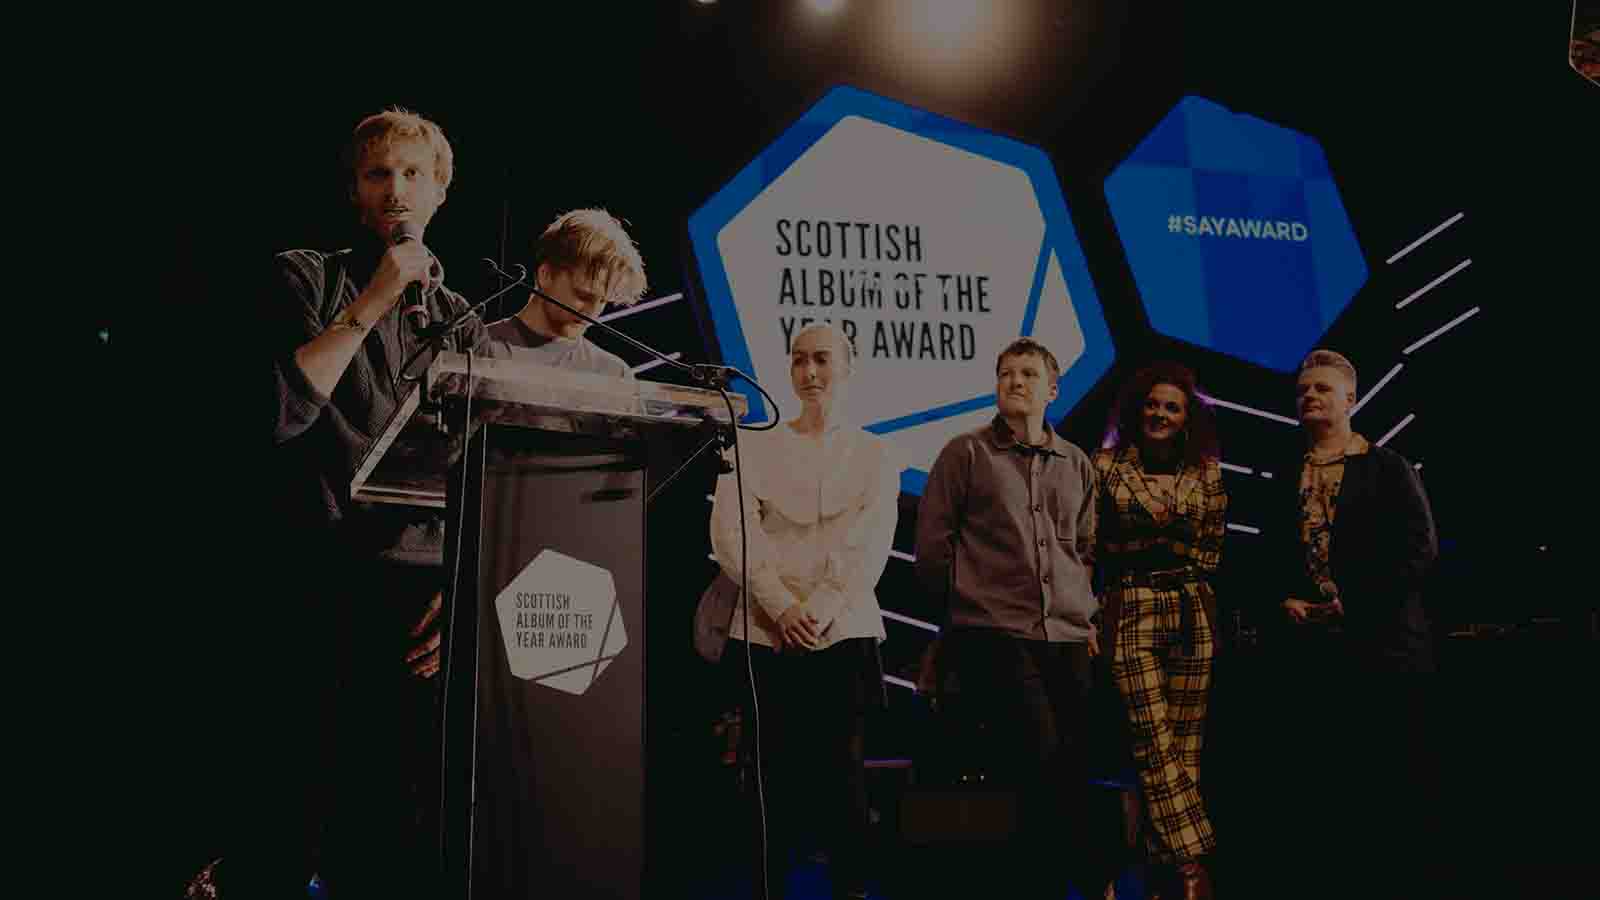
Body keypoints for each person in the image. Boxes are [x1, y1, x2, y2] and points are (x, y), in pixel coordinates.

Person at [268, 106, 501, 897]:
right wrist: (371, 299)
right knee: (298, 813)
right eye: (379, 174)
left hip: (417, 596)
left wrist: (457, 586)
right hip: (315, 583)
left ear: (440, 193)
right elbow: (282, 411)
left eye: (413, 174)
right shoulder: (306, 275)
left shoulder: (462, 318)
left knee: (402, 825)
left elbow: (471, 473)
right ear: (356, 193)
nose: (396, 189)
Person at [913, 337, 1121, 900]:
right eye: (1006, 373)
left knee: (1073, 763)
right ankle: (1062, 879)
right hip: (995, 633)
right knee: (1038, 756)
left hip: (1069, 633)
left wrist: (1086, 617)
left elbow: (1082, 548)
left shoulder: (1076, 462)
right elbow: (933, 546)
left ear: (1052, 389)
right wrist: (959, 618)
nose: (1015, 381)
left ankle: (1064, 875)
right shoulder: (966, 453)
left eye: (1028, 373)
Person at [709, 322, 899, 900]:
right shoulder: (755, 444)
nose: (809, 372)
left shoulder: (874, 453)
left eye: (821, 359)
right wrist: (780, 605)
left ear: (848, 366)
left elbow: (870, 542)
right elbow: (732, 532)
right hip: (767, 633)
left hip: (844, 631)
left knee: (845, 778)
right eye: (798, 360)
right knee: (768, 779)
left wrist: (817, 609)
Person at [1258, 349, 1439, 898]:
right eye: (1302, 390)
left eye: (1321, 389)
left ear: (1350, 400)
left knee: (1390, 783)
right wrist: (1282, 597)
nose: (1309, 397)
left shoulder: (1388, 467)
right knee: (1325, 787)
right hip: (1311, 659)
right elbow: (1265, 554)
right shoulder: (1285, 472)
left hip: (1384, 652)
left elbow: (1419, 550)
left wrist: (1357, 603)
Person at [1091, 361, 1226, 900]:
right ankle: (1194, 862)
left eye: (1172, 406)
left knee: (1185, 747)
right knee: (1153, 740)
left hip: (1194, 608)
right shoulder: (1104, 467)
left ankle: (1157, 874)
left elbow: (1212, 546)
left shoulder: (1209, 471)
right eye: (1152, 404)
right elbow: (1093, 542)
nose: (1160, 414)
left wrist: (1165, 551)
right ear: (1135, 409)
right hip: (1130, 606)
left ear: (1187, 416)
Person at [486, 207, 647, 377]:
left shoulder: (615, 373)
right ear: (546, 275)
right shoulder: (479, 349)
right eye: (583, 295)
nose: (591, 313)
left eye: (603, 301)